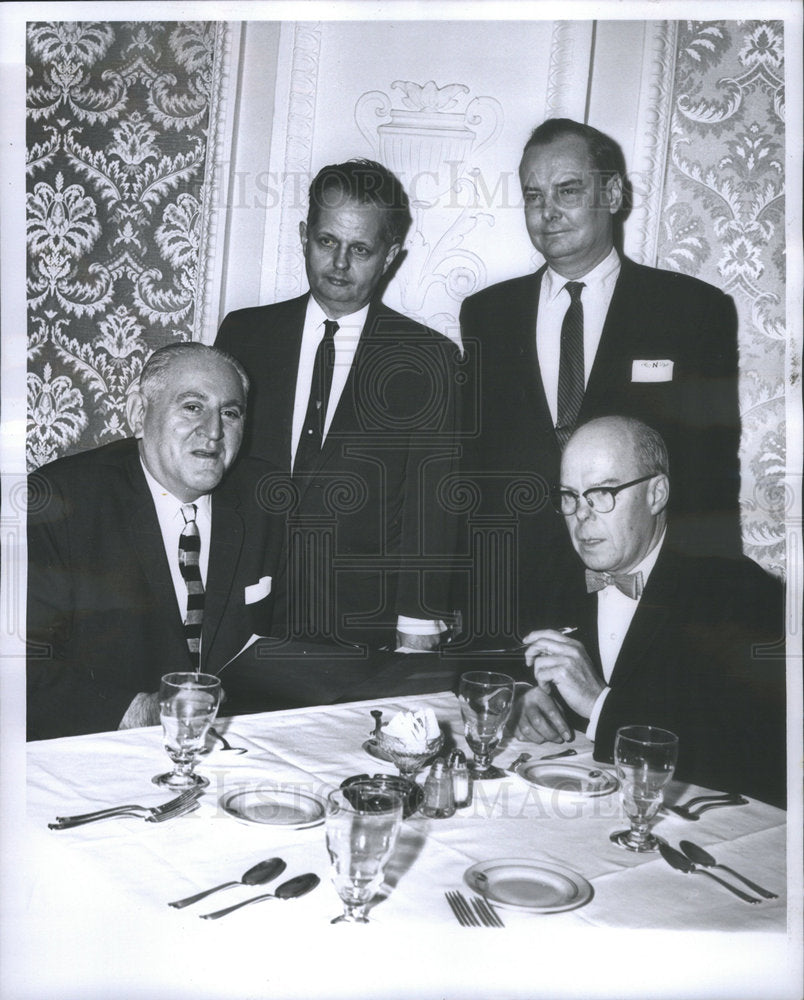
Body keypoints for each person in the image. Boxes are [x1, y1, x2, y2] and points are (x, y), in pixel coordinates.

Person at [458, 118, 740, 643]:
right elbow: (473, 468)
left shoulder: (690, 310)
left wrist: (708, 601)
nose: (548, 212)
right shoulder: (486, 315)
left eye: (568, 190)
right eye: (533, 195)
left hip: (642, 601)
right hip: (510, 602)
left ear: (612, 193)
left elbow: (711, 472)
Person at [216, 159, 460, 651]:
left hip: (360, 619)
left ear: (390, 255)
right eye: (327, 242)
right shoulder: (244, 334)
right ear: (305, 234)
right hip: (240, 605)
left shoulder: (428, 358)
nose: (340, 264)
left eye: (361, 249)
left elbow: (433, 503)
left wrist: (417, 623)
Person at [514, 416, 785, 807]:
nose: (581, 515)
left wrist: (599, 704)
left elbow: (758, 754)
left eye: (603, 493)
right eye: (570, 496)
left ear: (657, 493)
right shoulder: (552, 576)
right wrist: (523, 695)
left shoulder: (735, 592)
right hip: (569, 812)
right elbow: (500, 657)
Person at [26, 343, 285, 739]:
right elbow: (19, 664)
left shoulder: (267, 499)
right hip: (102, 747)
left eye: (230, 413)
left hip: (235, 748)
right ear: (137, 413)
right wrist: (138, 711)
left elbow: (293, 642)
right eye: (193, 407)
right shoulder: (57, 501)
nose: (214, 431)